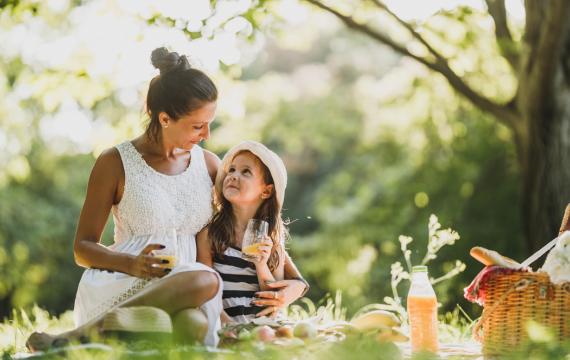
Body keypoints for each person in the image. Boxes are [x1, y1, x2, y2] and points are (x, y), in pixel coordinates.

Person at [27, 47, 223, 350]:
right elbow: (82, 249)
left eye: (209, 123)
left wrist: (285, 277)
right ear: (165, 118)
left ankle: (75, 341)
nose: (207, 134)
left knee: (193, 323)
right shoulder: (115, 162)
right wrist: (132, 264)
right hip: (126, 279)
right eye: (198, 126)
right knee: (205, 279)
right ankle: (96, 329)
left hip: (185, 292)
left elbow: (244, 223)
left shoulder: (209, 164)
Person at [197, 141, 299, 324]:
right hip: (226, 323)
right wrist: (227, 327)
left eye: (246, 172)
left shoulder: (272, 237)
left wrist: (261, 265)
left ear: (266, 191)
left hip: (265, 324)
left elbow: (275, 298)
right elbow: (206, 292)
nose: (234, 176)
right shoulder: (210, 234)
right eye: (232, 170)